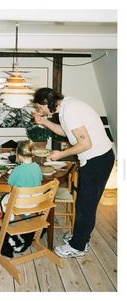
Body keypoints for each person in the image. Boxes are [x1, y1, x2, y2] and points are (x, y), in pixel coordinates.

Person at [32, 87, 114, 258]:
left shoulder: (70, 110)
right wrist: (44, 122)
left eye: (40, 108)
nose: (40, 111)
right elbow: (67, 132)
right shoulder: (66, 107)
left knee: (85, 206)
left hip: (97, 159)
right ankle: (81, 238)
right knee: (85, 204)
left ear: (47, 103)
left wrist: (60, 154)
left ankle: (77, 246)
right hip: (97, 158)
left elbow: (85, 144)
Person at [0, 140, 43, 221]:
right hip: (35, 201)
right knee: (28, 193)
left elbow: (10, 182)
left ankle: (10, 218)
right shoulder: (37, 167)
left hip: (20, 203)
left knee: (4, 200)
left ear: (19, 156)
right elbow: (39, 180)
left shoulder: (17, 169)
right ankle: (27, 214)